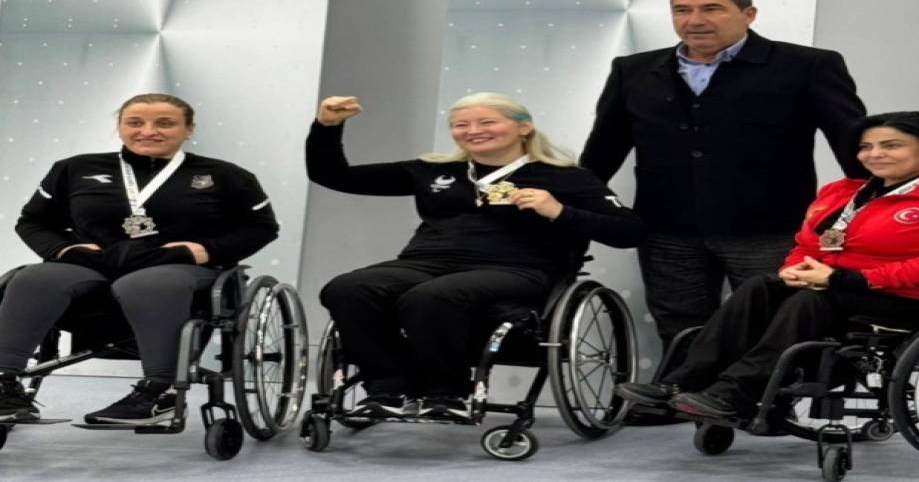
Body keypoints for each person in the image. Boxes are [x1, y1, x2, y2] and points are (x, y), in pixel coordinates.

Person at [579, 0, 867, 411]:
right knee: (678, 320)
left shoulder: (807, 65)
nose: (694, 20)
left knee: (773, 318)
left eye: (711, 8)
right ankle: (677, 400)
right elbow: (603, 150)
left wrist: (868, 212)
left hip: (769, 225)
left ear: (748, 15)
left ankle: (760, 404)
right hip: (667, 225)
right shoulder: (633, 69)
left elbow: (853, 145)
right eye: (682, 10)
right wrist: (578, 209)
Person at [616, 111, 919, 418]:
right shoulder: (843, 192)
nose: (874, 154)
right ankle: (682, 383)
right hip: (848, 288)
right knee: (761, 287)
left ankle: (736, 393)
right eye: (866, 146)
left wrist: (847, 278)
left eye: (891, 145)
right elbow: (809, 244)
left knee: (815, 300)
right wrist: (797, 269)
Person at [307, 92, 644, 419]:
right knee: (348, 288)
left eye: (487, 122)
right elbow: (332, 175)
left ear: (524, 127)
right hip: (425, 263)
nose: (473, 131)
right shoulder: (433, 170)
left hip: (517, 269)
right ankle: (387, 389)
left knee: (432, 297)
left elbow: (629, 231)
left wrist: (558, 210)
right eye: (461, 125)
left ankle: (447, 392)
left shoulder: (566, 177)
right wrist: (327, 126)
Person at [0, 93, 279, 425]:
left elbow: (262, 227)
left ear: (189, 129)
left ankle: (159, 391)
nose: (148, 131)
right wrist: (64, 250)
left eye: (165, 123)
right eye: (135, 122)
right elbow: (32, 221)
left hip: (177, 267)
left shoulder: (225, 175)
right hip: (94, 265)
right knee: (33, 278)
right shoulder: (76, 168)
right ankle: (4, 384)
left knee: (147, 285)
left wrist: (204, 250)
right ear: (120, 127)